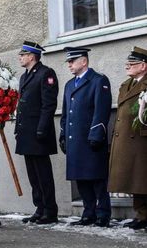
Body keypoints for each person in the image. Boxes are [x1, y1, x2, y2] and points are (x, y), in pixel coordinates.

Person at [60, 47, 112, 227]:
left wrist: (97, 134)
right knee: (81, 179)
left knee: (97, 179)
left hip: (91, 139)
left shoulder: (98, 81)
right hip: (75, 139)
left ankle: (103, 214)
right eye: (68, 61)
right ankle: (88, 213)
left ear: (84, 61)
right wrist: (63, 134)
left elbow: (101, 110)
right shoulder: (69, 84)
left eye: (72, 61)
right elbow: (66, 114)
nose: (69, 65)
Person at [15, 41, 59, 224]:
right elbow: (22, 105)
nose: (20, 57)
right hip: (27, 133)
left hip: (39, 133)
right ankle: (39, 208)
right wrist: (18, 128)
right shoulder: (25, 76)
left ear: (32, 56)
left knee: (43, 175)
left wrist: (42, 129)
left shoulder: (45, 73)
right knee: (33, 175)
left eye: (23, 54)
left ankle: (50, 211)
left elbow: (48, 105)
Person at [108, 46, 147, 229]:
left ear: (144, 66)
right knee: (134, 179)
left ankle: (144, 215)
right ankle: (141, 215)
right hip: (126, 138)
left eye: (132, 63)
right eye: (127, 63)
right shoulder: (126, 85)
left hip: (141, 139)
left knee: (142, 178)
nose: (127, 66)